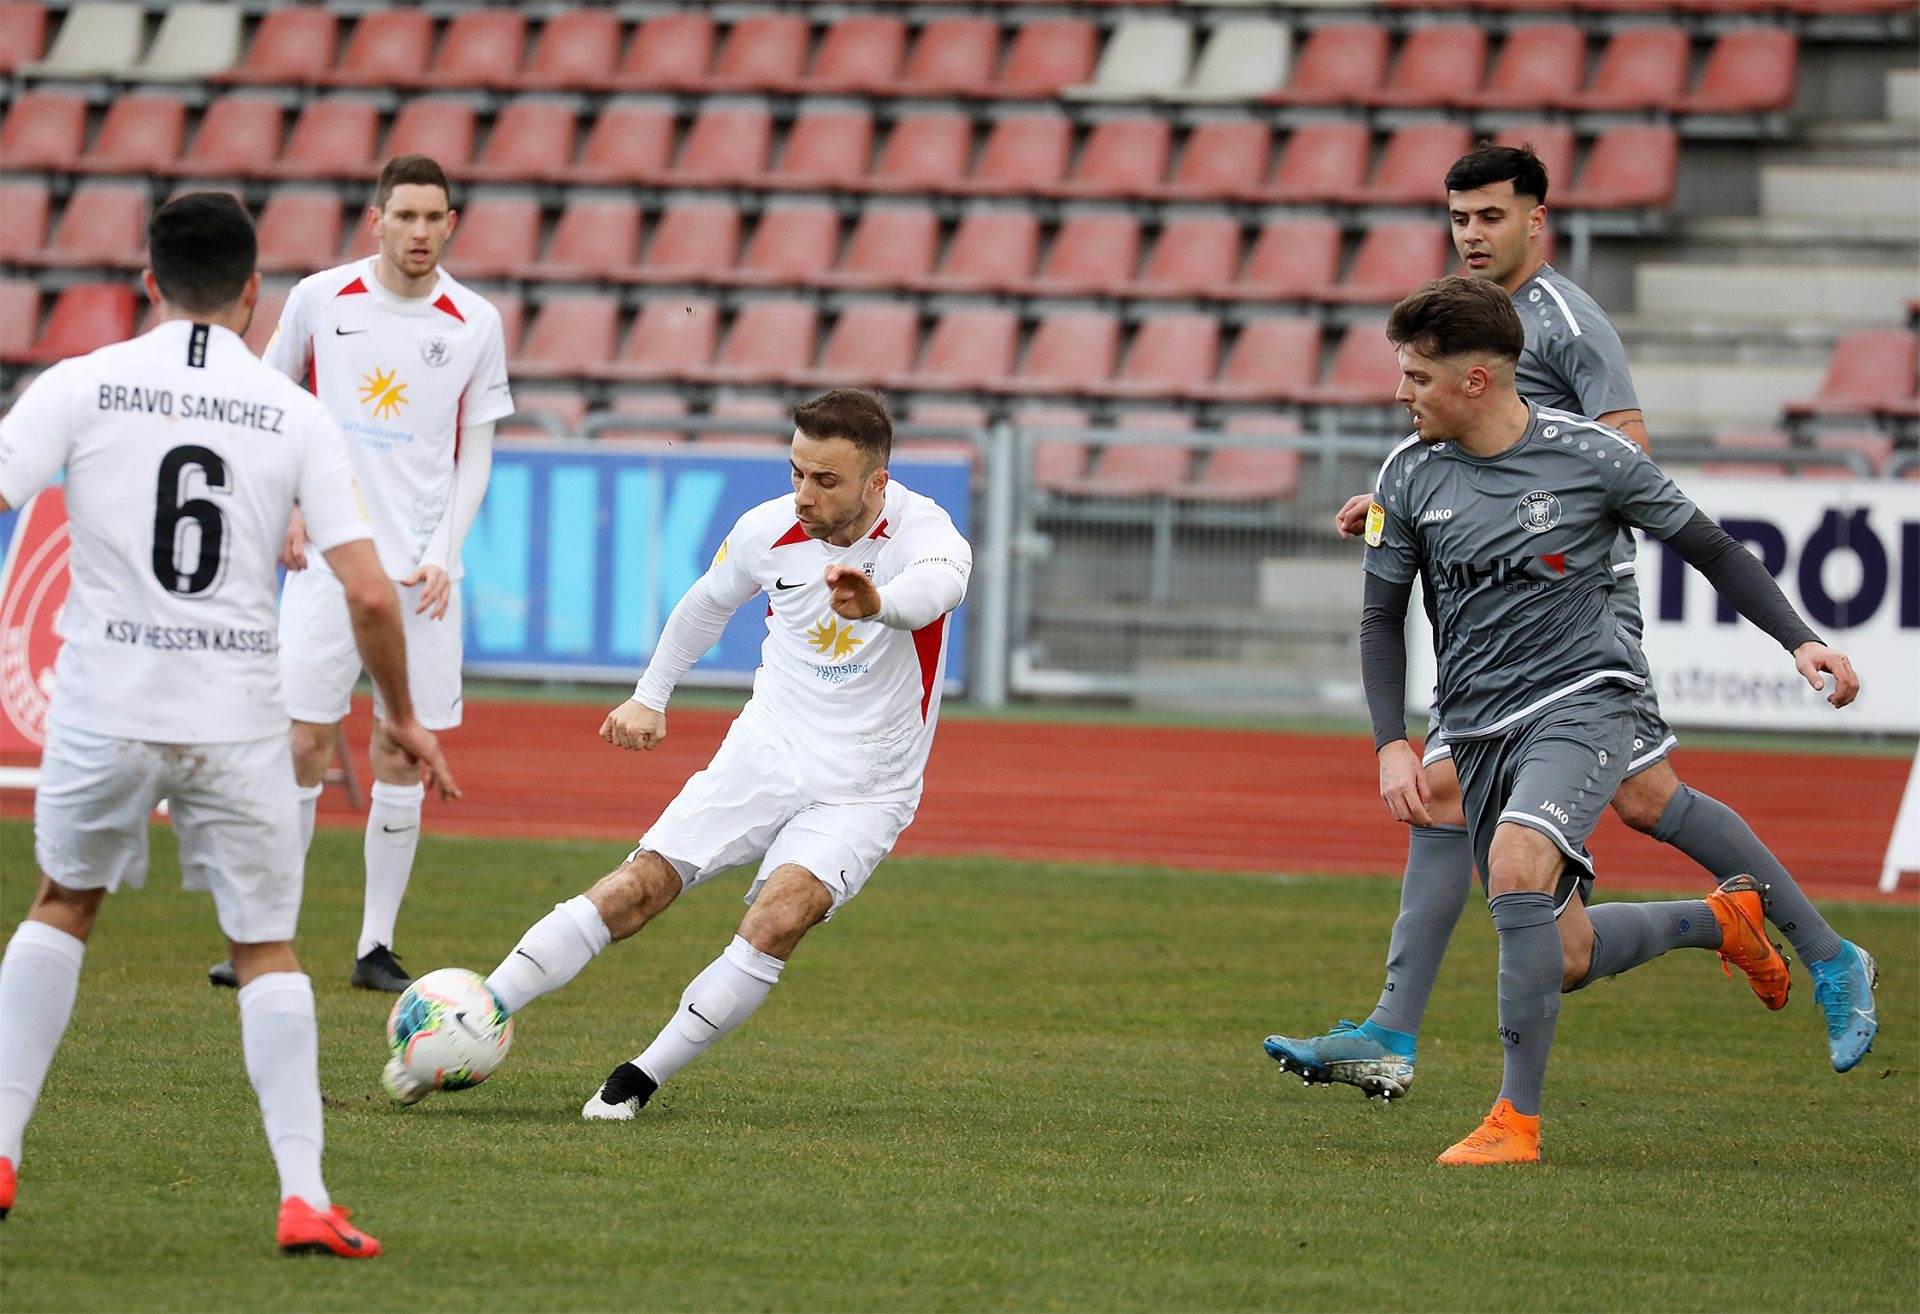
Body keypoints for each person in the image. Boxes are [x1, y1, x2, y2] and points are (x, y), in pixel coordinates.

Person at [1265, 145, 1879, 1095]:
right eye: (1460, 218)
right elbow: (1469, 461)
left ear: (1535, 219)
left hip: (1576, 606)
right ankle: (1738, 926)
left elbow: (1622, 457)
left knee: (1536, 798)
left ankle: (1826, 954)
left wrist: (1539, 540)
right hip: (1504, 601)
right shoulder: (1464, 327)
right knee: (1577, 885)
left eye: (1491, 217)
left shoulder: (1567, 322)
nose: (1473, 235)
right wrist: (1410, 510)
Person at [0, 194, 459, 1251]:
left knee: (62, 905)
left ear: (149, 283)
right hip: (235, 713)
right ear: (254, 294)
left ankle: (5, 1148)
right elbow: (371, 592)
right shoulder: (293, 414)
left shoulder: (80, 383)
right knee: (264, 948)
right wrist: (401, 715)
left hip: (105, 700)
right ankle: (304, 1197)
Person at [1347, 277, 1861, 1163]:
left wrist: (1801, 640)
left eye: (1417, 377)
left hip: (1588, 698)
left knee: (1520, 860)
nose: (1401, 393)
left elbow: (1711, 547)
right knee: (1566, 953)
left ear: (1477, 379)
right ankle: (1724, 923)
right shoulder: (1404, 475)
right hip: (1479, 726)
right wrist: (1392, 741)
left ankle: (1515, 1122)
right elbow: (1379, 619)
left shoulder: (1591, 458)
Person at [383, 389, 972, 1118]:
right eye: (796, 472)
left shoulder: (926, 532)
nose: (803, 494)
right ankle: (472, 1016)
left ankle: (636, 1080)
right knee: (637, 889)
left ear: (877, 481)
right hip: (763, 753)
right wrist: (650, 695)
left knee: (779, 918)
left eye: (826, 480)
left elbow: (934, 590)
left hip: (867, 787)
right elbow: (706, 603)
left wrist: (877, 603)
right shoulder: (766, 530)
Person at [207, 154, 513, 993]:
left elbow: (476, 451)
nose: (419, 231)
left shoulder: (475, 321)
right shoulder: (321, 298)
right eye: (404, 215)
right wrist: (287, 506)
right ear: (376, 220)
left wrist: (445, 552)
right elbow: (269, 406)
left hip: (421, 574)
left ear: (451, 225)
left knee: (399, 751)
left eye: (434, 217)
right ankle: (268, 935)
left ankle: (375, 947)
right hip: (326, 562)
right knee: (301, 743)